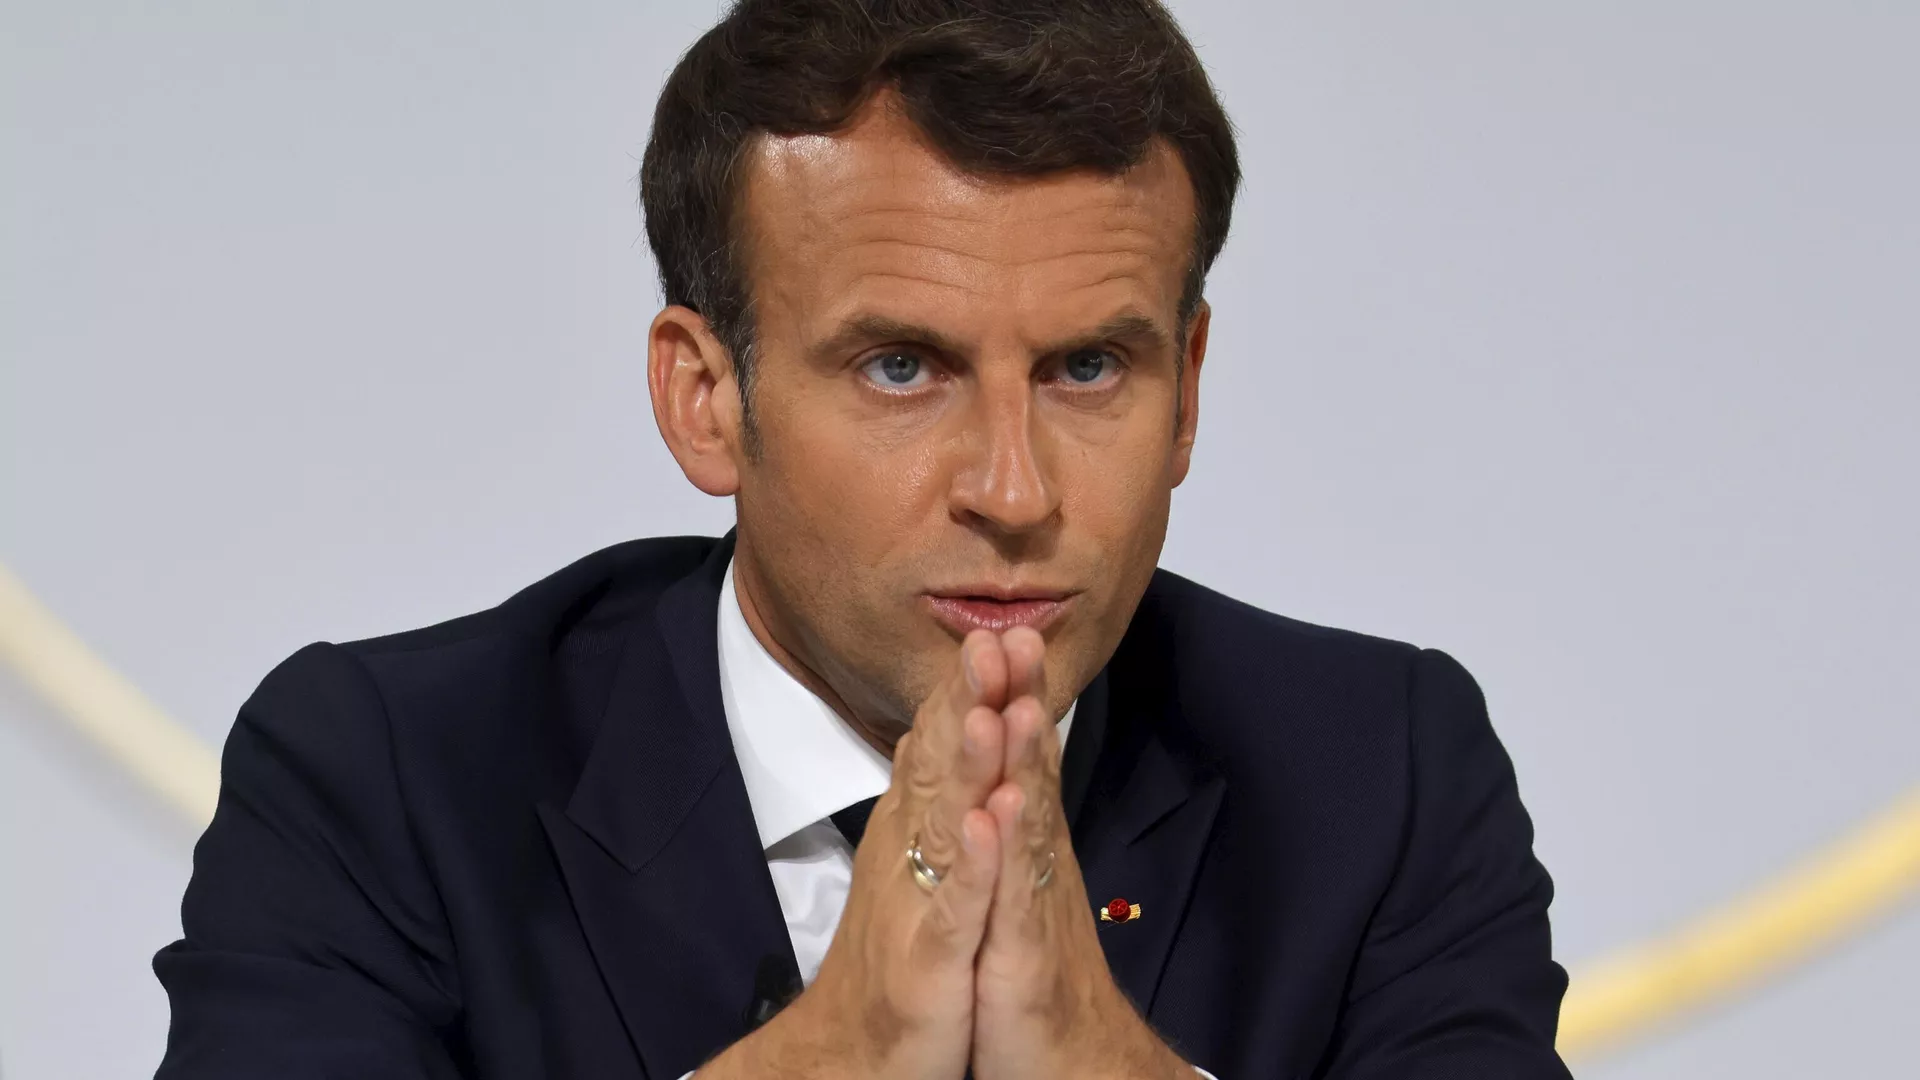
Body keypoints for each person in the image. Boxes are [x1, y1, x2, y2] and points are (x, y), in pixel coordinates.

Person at [153, 1, 1573, 1077]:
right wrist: (835, 1053)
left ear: (1188, 390)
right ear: (707, 400)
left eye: (1087, 368)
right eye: (902, 368)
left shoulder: (1377, 774)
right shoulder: (386, 777)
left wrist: (1102, 1062)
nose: (1014, 490)